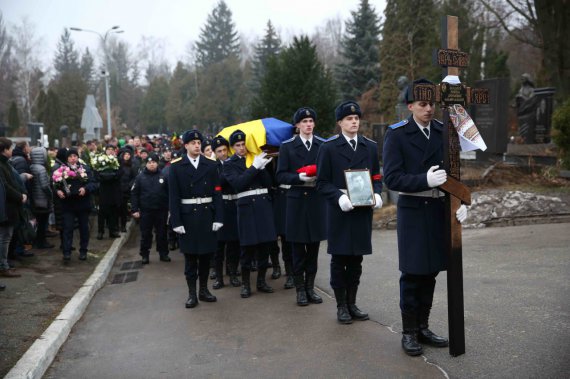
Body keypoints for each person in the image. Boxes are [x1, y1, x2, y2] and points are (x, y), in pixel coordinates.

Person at [382, 78, 468, 356]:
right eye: (422, 104)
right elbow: (392, 178)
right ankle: (408, 332)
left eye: (432, 103)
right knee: (412, 274)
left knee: (430, 272)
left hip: (437, 210)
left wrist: (460, 199)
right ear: (410, 106)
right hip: (414, 211)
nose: (429, 109)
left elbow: (454, 172)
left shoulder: (443, 131)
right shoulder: (396, 134)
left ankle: (423, 326)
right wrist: (424, 179)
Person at [316, 101, 383, 324]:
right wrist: (339, 197)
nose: (354, 122)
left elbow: (376, 176)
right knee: (339, 259)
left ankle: (353, 303)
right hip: (340, 209)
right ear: (340, 123)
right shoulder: (328, 147)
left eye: (356, 118)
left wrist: (378, 194)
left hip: (362, 209)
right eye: (349, 119)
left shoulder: (369, 146)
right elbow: (322, 182)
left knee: (357, 260)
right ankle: (341, 306)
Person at [277, 107, 327, 306]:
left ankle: (310, 287)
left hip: (316, 200)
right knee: (298, 248)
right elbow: (280, 175)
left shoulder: (323, 145)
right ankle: (299, 290)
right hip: (296, 200)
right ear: (297, 125)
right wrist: (298, 177)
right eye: (304, 122)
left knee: (314, 248)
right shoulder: (287, 146)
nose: (308, 125)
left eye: (311, 121)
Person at [169, 130, 223, 309]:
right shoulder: (176, 166)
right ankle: (192, 293)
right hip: (187, 216)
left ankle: (204, 290)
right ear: (185, 146)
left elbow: (217, 192)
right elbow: (173, 196)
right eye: (192, 143)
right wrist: (176, 221)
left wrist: (218, 217)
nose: (197, 145)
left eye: (199, 142)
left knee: (207, 256)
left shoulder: (210, 164)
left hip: (207, 214)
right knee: (191, 258)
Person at [222, 130, 276, 298]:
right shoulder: (229, 164)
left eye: (243, 144)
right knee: (247, 248)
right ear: (232, 148)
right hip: (246, 207)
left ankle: (261, 281)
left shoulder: (255, 159)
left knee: (265, 246)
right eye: (237, 145)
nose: (241, 148)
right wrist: (254, 167)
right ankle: (246, 284)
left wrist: (263, 167)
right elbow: (239, 184)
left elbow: (269, 184)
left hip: (263, 206)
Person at [54, 148, 97, 261]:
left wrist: (85, 188)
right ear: (67, 158)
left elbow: (93, 183)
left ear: (78, 157)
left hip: (82, 204)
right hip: (68, 204)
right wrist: (58, 191)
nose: (73, 158)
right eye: (70, 156)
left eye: (75, 156)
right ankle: (66, 252)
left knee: (84, 229)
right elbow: (54, 184)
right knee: (68, 228)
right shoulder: (61, 170)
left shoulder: (85, 168)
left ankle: (83, 251)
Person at [211, 136, 241, 289]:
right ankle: (219, 277)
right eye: (219, 151)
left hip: (234, 203)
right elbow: (215, 185)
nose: (223, 153)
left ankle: (233, 273)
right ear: (215, 153)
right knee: (219, 245)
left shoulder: (235, 162)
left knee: (234, 243)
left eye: (224, 150)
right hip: (220, 205)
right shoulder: (212, 167)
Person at [131, 153, 170, 264]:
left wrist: (169, 208)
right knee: (146, 234)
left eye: (153, 162)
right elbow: (134, 194)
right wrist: (134, 209)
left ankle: (163, 253)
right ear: (146, 164)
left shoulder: (163, 176)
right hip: (146, 211)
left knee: (162, 233)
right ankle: (144, 255)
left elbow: (169, 193)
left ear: (157, 163)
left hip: (161, 210)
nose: (151, 165)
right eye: (149, 163)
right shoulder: (140, 177)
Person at [0, 137, 25, 278]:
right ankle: (3, 266)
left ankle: (4, 264)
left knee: (6, 236)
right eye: (10, 148)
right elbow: (6, 187)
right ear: (4, 150)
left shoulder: (6, 164)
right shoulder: (1, 165)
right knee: (4, 237)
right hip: (6, 207)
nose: (12, 151)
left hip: (10, 206)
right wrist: (20, 196)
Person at [29, 147, 54, 249]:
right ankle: (42, 242)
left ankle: (36, 241)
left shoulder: (31, 167)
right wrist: (50, 194)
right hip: (43, 199)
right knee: (43, 222)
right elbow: (44, 186)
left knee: (37, 222)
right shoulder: (42, 169)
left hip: (35, 198)